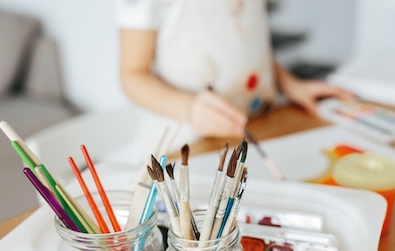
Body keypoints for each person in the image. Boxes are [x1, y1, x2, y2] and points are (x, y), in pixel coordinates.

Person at [114, 0, 353, 156]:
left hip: (256, 131)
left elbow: (246, 45)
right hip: (187, 148)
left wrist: (291, 84)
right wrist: (190, 109)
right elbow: (132, 75)